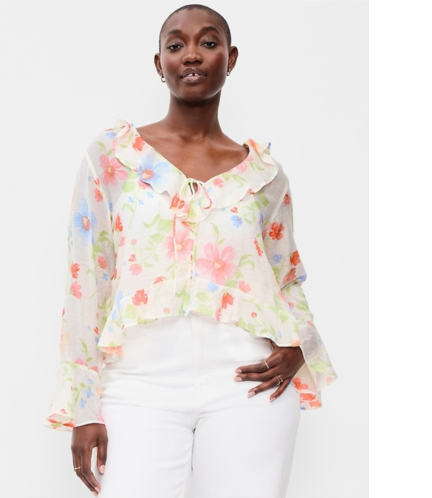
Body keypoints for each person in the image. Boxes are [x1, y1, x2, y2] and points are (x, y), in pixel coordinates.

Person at [45, 4, 337, 498]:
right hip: (138, 382)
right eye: (176, 45)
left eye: (209, 42)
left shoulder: (265, 176)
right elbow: (84, 278)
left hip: (248, 384)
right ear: (159, 63)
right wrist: (83, 403)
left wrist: (299, 345)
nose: (192, 55)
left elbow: (286, 276)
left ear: (231, 57)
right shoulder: (113, 156)